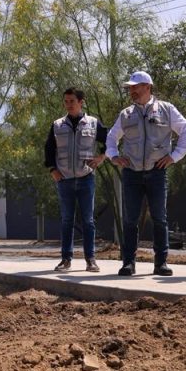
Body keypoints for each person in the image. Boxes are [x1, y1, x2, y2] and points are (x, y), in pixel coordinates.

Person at [106, 71, 186, 276]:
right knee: (130, 220)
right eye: (130, 88)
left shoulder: (166, 109)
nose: (132, 91)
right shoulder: (126, 114)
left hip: (157, 172)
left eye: (135, 87)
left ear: (148, 87)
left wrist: (174, 156)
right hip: (132, 173)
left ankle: (161, 263)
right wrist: (114, 156)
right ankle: (128, 263)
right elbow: (111, 138)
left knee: (159, 218)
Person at [45, 87, 108, 272]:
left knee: (88, 220)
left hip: (86, 178)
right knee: (67, 220)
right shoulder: (57, 125)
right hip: (64, 180)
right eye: (66, 101)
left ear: (81, 102)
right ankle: (66, 259)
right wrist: (52, 170)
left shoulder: (93, 123)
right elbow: (49, 149)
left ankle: (91, 260)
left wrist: (101, 157)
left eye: (72, 101)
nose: (68, 104)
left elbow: (110, 140)